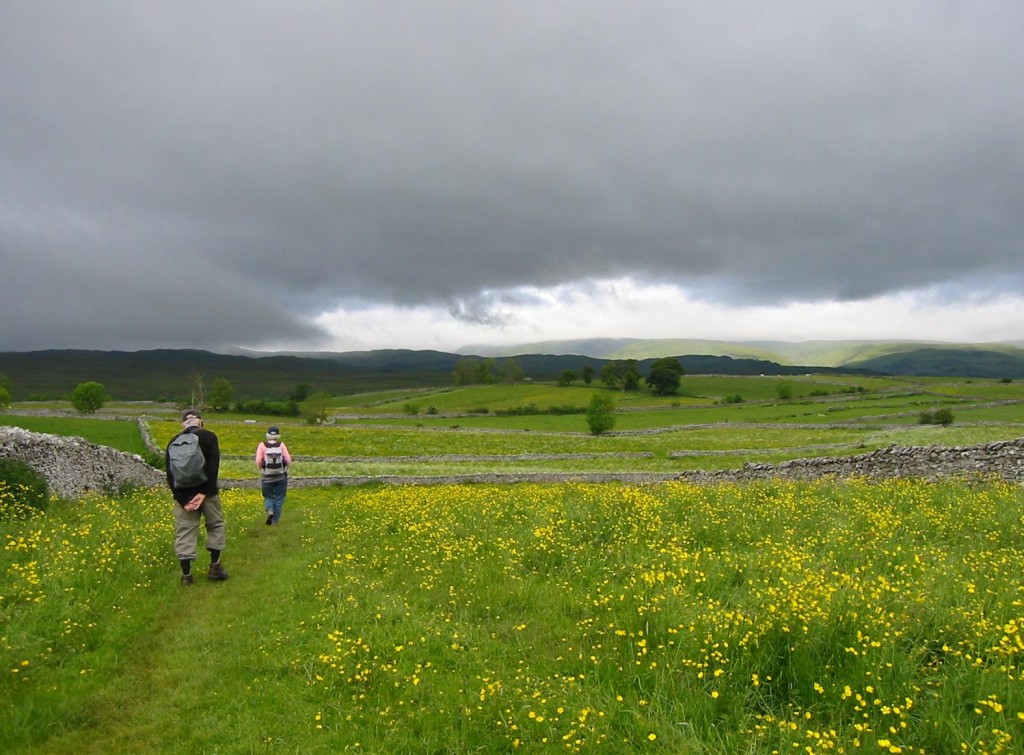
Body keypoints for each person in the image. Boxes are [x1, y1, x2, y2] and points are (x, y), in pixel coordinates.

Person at [165, 409, 228, 585]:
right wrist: (204, 493)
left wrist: (183, 500)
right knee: (215, 526)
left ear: (183, 424)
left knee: (185, 531)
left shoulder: (173, 441)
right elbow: (213, 467)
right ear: (201, 422)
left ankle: (186, 576)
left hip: (183, 495)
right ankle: (215, 568)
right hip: (208, 494)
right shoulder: (209, 437)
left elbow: (170, 475)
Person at [255, 425, 292, 525]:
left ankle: (270, 510)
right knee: (279, 498)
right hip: (281, 476)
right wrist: (285, 468)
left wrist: (262, 468)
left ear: (267, 435)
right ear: (278, 435)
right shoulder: (281, 445)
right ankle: (275, 522)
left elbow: (258, 461)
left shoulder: (262, 445)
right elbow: (288, 459)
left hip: (267, 476)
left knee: (268, 496)